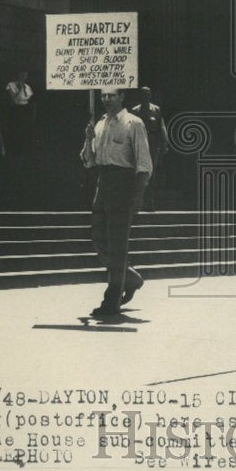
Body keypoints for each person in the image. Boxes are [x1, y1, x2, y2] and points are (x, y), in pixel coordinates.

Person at [80, 88, 152, 317]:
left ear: (122, 97)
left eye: (111, 95)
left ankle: (111, 299)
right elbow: (88, 162)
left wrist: (138, 195)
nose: (106, 99)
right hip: (103, 184)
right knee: (99, 239)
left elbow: (144, 163)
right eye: (103, 96)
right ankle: (131, 278)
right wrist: (88, 138)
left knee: (118, 244)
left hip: (124, 185)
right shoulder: (99, 125)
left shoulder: (134, 123)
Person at [131, 86, 169, 211]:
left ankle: (150, 203)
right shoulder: (135, 110)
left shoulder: (156, 110)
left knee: (151, 173)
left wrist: (164, 144)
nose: (145, 96)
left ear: (150, 95)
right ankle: (137, 203)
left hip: (153, 144)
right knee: (139, 172)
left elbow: (161, 127)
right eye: (143, 94)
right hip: (139, 143)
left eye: (147, 94)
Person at [4, 69, 35, 157]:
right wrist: (20, 88)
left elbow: (29, 100)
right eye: (22, 75)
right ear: (18, 75)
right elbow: (13, 100)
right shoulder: (11, 85)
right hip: (15, 111)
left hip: (25, 111)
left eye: (26, 76)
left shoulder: (28, 87)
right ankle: (14, 152)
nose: (24, 78)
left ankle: (25, 152)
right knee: (16, 133)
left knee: (25, 133)